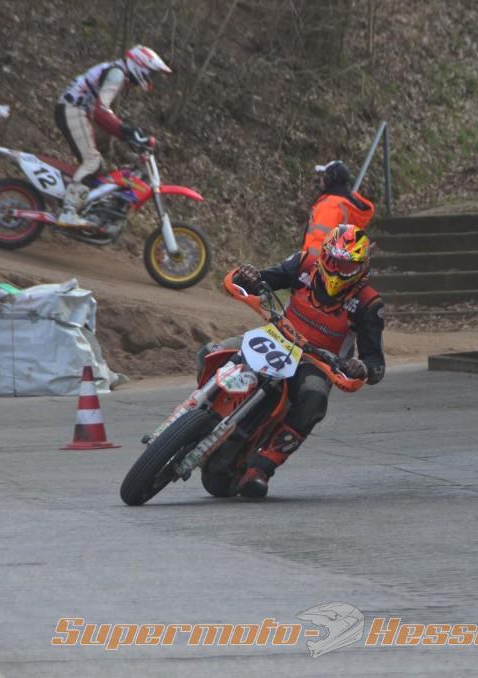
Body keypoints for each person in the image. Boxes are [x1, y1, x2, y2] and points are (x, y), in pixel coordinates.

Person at [211, 224, 386, 498]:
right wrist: (251, 277)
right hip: (275, 337)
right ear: (324, 255)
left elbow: (376, 362)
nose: (337, 270)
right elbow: (266, 279)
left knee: (315, 400)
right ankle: (200, 414)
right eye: (333, 260)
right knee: (213, 351)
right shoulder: (303, 263)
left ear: (362, 266)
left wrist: (360, 367)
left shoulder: (369, 304)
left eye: (347, 265)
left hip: (317, 362)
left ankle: (261, 468)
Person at [54, 45, 171, 228]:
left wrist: (127, 134)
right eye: (150, 73)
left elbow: (102, 113)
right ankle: (68, 211)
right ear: (139, 65)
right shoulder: (117, 73)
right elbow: (101, 111)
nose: (150, 78)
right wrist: (126, 131)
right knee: (92, 161)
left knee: (98, 165)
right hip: (72, 109)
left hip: (76, 110)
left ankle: (83, 205)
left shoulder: (116, 71)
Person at [301, 160, 374, 257]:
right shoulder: (347, 203)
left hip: (319, 263)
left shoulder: (331, 205)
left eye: (324, 175)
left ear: (330, 179)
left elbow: (319, 241)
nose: (321, 179)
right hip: (338, 263)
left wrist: (308, 263)